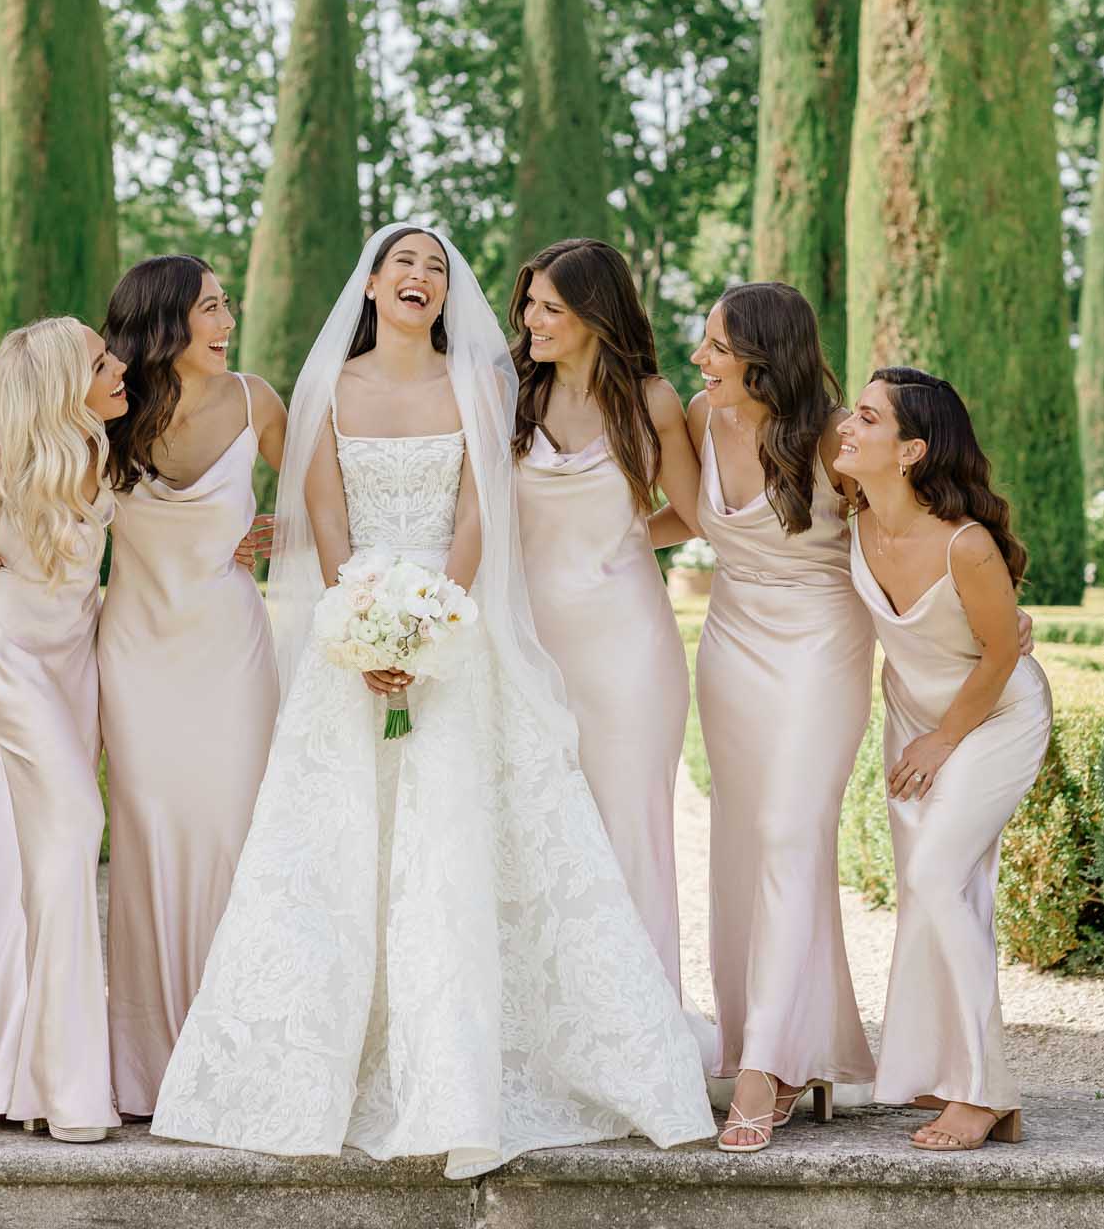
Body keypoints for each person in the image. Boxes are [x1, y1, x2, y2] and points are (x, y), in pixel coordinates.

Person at [151, 226, 716, 1176]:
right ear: (370, 283)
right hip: (355, 628)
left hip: (456, 627)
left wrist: (438, 619)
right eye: (403, 263)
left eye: (437, 268)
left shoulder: (483, 384)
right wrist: (356, 621)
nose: (420, 275)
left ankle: (462, 1078)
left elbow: (479, 507)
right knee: (338, 845)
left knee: (454, 843)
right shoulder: (330, 384)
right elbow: (323, 507)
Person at [0, 255, 285, 1118]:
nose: (226, 321)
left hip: (232, 649)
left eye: (226, 305)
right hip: (135, 657)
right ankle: (148, 1065)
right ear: (166, 323)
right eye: (210, 308)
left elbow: (323, 503)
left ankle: (240, 1049)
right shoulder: (108, 412)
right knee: (145, 844)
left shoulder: (259, 401)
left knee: (236, 833)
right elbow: (22, 492)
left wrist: (274, 534)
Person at [837, 368, 1051, 1152]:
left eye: (866, 418)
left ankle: (984, 1092)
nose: (847, 428)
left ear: (911, 450)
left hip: (993, 717)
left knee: (934, 877)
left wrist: (943, 738)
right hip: (911, 716)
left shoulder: (966, 544)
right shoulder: (849, 514)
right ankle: (944, 1069)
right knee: (936, 890)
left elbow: (999, 654)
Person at [683, 283, 876, 1150]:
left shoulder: (839, 437)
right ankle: (773, 1040)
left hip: (819, 643)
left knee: (794, 832)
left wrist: (988, 609)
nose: (702, 360)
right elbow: (675, 520)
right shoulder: (699, 416)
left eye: (718, 347)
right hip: (730, 644)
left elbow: (907, 527)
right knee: (742, 841)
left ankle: (766, 1063)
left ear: (766, 355)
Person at [0, 316, 126, 1142]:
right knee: (80, 825)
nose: (118, 365)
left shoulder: (101, 453)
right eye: (99, 359)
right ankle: (67, 1080)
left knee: (51, 853)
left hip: (75, 661)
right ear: (57, 382)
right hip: (10, 660)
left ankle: (32, 1072)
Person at [509, 236, 701, 992]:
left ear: (594, 314)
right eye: (528, 303)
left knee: (628, 825)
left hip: (627, 649)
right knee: (540, 830)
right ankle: (556, 1018)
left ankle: (642, 1017)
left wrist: (622, 537)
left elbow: (689, 516)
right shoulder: (512, 395)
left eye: (550, 307)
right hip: (530, 644)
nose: (530, 319)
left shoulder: (649, 402)